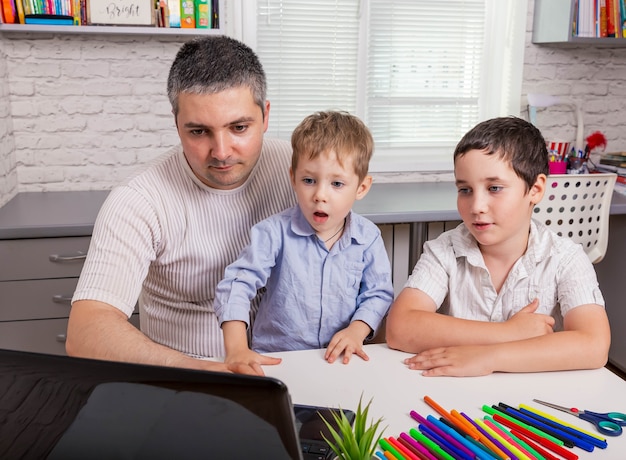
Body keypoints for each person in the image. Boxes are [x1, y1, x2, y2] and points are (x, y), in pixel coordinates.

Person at [66, 36, 297, 374]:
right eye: (199, 132)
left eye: (239, 127)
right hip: (189, 376)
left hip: (290, 366)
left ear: (265, 115)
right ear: (176, 124)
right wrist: (198, 371)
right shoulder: (138, 201)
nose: (221, 151)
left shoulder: (300, 172)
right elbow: (84, 332)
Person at [385, 116, 611, 377]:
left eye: (494, 188)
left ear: (535, 190)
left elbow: (594, 345)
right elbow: (399, 328)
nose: (476, 206)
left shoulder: (566, 258)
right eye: (465, 190)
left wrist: (489, 357)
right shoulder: (444, 250)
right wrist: (509, 333)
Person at [214, 111, 394, 375]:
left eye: (337, 183)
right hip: (278, 361)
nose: (320, 195)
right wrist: (237, 349)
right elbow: (237, 285)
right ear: (293, 178)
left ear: (361, 188)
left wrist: (356, 331)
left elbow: (378, 293)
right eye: (308, 180)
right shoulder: (273, 232)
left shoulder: (368, 238)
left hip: (340, 361)